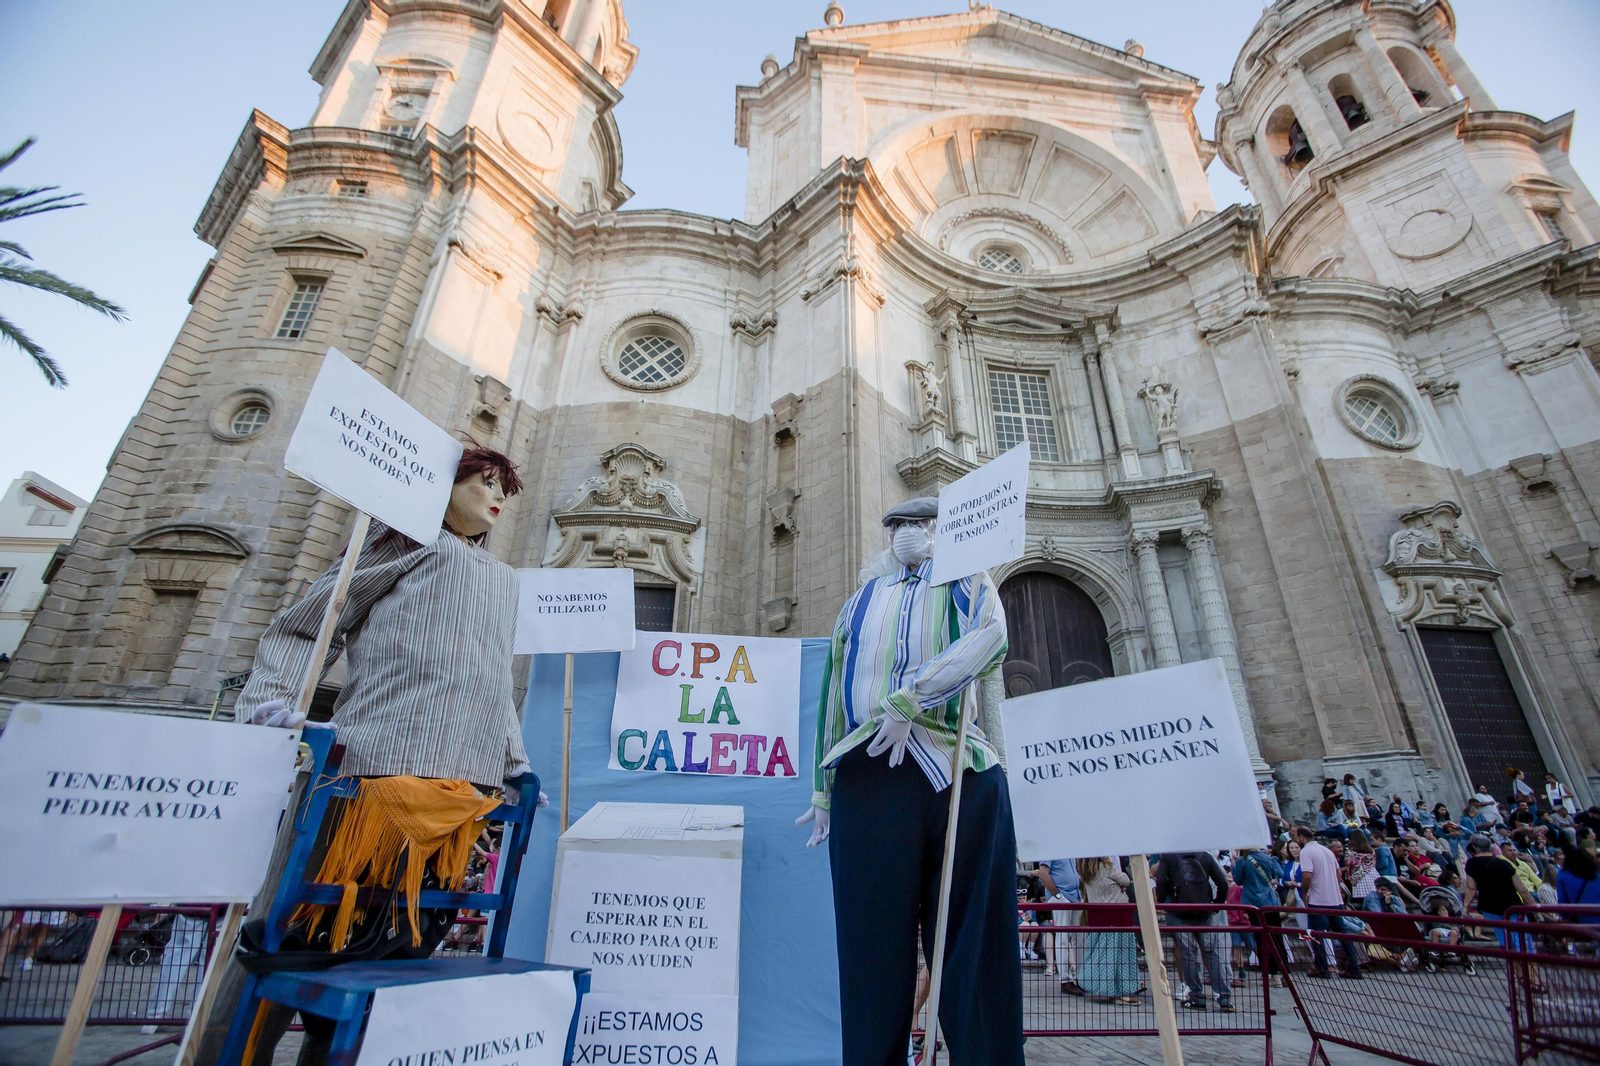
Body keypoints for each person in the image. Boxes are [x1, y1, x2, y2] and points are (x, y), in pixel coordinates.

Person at [233, 448, 535, 1066]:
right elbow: (312, 622)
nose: (497, 496)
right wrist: (270, 704)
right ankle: (238, 1054)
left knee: (401, 946)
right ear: (440, 485)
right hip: (373, 770)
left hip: (460, 797)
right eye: (484, 481)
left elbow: (493, 683)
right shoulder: (400, 544)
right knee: (302, 935)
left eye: (504, 487)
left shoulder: (504, 580)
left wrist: (516, 761)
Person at [798, 496, 1020, 1066]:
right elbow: (832, 694)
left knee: (976, 942)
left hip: (958, 767)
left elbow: (992, 639)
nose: (907, 533)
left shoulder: (970, 583)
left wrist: (914, 699)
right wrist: (824, 788)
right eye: (896, 525)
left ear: (939, 530)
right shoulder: (856, 603)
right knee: (870, 947)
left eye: (918, 525)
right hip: (869, 772)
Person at [1156, 851, 1234, 1012]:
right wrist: (1217, 904)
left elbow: (1162, 880)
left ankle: (1197, 996)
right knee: (1211, 953)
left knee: (1188, 954)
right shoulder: (1204, 855)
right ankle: (1224, 997)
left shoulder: (1168, 856)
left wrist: (1163, 903)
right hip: (1204, 910)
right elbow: (1222, 882)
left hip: (1180, 911)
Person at [1295, 826, 1362, 979]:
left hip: (1318, 899)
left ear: (1301, 837)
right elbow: (1338, 874)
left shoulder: (1306, 851)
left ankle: (1322, 967)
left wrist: (1305, 893)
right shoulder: (1327, 851)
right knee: (1343, 934)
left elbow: (1306, 875)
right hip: (1334, 899)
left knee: (1317, 935)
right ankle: (1354, 967)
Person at [1076, 857, 1138, 1005]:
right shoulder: (1106, 867)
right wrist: (1120, 886)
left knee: (1103, 954)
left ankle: (1107, 988)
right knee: (1121, 957)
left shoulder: (1086, 871)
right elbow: (1125, 880)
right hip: (1118, 918)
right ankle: (1121, 991)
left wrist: (1117, 886)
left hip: (1099, 917)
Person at [1463, 834, 1535, 949]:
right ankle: (1527, 965)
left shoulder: (1471, 863)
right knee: (1522, 942)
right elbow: (1521, 889)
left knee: (1505, 942)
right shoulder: (1503, 863)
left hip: (1489, 906)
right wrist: (1533, 905)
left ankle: (1512, 964)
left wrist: (1466, 906)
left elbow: (1471, 887)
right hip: (1511, 906)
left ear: (1475, 848)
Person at [1233, 845, 1285, 987]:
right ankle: (1282, 971)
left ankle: (1270, 972)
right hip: (1270, 901)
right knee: (1276, 938)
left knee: (1261, 939)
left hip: (1254, 902)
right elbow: (1274, 874)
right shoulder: (1266, 857)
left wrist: (1234, 864)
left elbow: (1238, 880)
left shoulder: (1242, 861)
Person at [1035, 859, 1083, 991]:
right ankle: (1065, 980)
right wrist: (1057, 895)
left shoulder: (1068, 850)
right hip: (1064, 896)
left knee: (1078, 938)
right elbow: (1043, 873)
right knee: (1063, 938)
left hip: (1074, 896)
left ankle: (1079, 978)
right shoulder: (1050, 849)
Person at [1344, 831, 1379, 909]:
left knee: (1361, 902)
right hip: (1373, 875)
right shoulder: (1372, 851)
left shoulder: (1350, 852)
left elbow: (1348, 864)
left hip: (1359, 878)